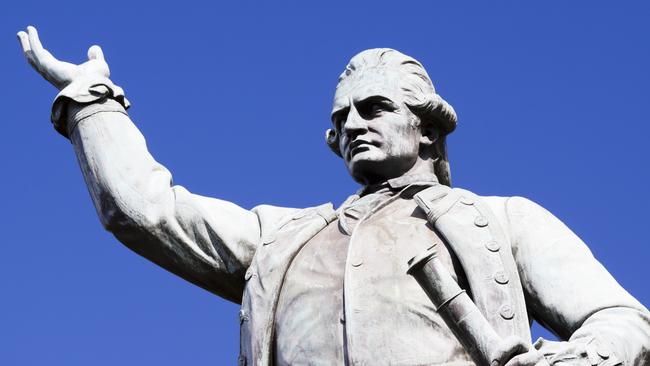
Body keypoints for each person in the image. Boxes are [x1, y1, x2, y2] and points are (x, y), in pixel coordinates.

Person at [17, 26, 650, 366]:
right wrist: (91, 104)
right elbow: (146, 212)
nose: (352, 125)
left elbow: (622, 321)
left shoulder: (504, 222)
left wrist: (581, 361)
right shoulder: (284, 239)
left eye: (374, 108)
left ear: (427, 127)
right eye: (341, 117)